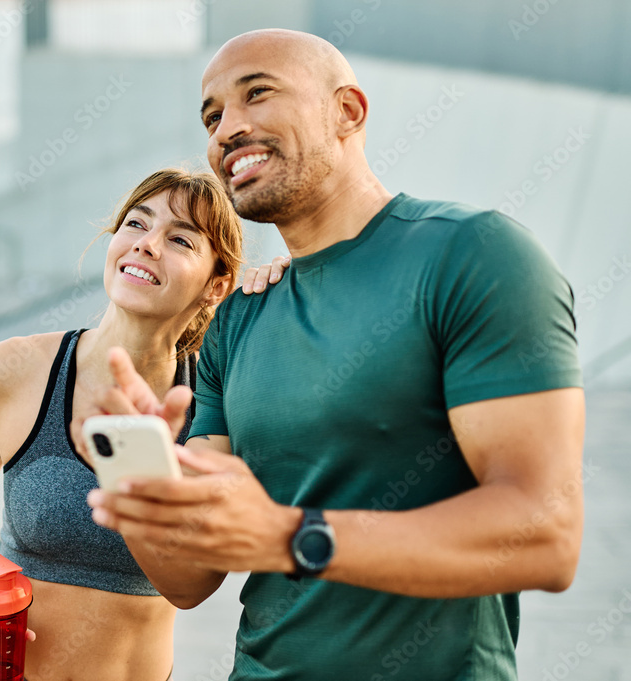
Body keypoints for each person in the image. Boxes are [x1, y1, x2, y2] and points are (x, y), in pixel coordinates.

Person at [84, 29, 585, 681]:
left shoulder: (475, 256)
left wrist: (290, 536)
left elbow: (544, 535)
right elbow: (188, 578)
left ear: (347, 111)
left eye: (257, 93)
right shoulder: (237, 319)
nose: (227, 130)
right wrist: (135, 468)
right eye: (212, 117)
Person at [0, 168, 253, 681]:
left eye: (180, 239)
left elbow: (194, 586)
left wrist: (137, 463)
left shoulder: (214, 409)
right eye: (136, 223)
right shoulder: (14, 369)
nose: (147, 244)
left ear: (216, 285)